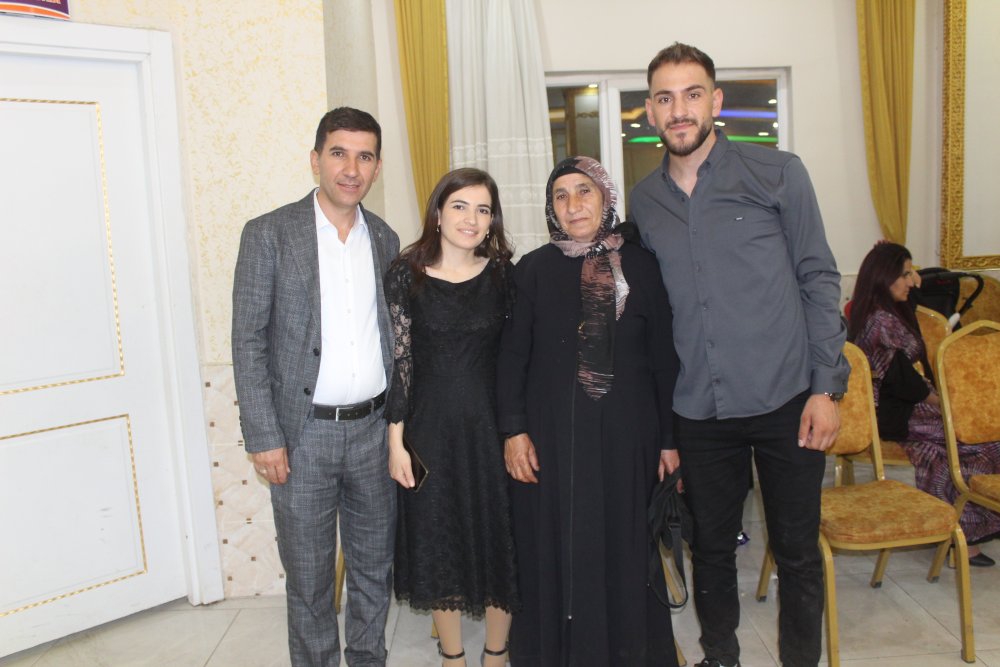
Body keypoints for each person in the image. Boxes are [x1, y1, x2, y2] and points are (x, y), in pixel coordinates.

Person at [629, 43, 849, 667]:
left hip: (787, 400)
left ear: (716, 101)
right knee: (712, 550)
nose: (680, 109)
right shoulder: (644, 203)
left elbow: (819, 279)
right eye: (665, 98)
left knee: (797, 552)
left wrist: (825, 389)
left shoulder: (778, 173)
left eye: (692, 94)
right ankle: (720, 656)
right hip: (700, 410)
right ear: (650, 110)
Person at [232, 107, 399, 666]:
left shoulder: (385, 238)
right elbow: (248, 340)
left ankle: (368, 659)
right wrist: (264, 436)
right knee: (309, 580)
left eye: (365, 156)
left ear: (376, 168)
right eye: (339, 153)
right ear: (315, 160)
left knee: (374, 569)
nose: (351, 169)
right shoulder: (269, 234)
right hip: (302, 438)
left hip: (373, 432)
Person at [498, 156, 680, 666]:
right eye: (561, 195)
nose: (573, 204)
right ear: (550, 207)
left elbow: (664, 359)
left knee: (625, 545)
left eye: (584, 191)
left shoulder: (642, 267)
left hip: (628, 437)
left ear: (606, 198)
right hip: (551, 440)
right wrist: (513, 431)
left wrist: (670, 440)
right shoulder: (532, 270)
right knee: (555, 547)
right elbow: (511, 358)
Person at [384, 168, 519, 666]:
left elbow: (517, 360)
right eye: (460, 206)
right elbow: (401, 364)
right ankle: (453, 657)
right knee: (438, 540)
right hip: (428, 434)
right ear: (438, 213)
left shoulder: (504, 275)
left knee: (498, 538)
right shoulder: (406, 275)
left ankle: (496, 654)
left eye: (483, 209)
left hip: (491, 432)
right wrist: (395, 443)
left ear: (492, 220)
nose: (471, 218)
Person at [848, 241, 1000, 566]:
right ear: (884, 277)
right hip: (892, 411)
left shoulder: (891, 308)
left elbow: (915, 374)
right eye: (905, 274)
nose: (911, 280)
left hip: (911, 402)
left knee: (978, 434)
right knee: (966, 438)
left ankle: (973, 524)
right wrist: (947, 404)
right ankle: (966, 535)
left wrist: (911, 274)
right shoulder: (880, 323)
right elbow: (906, 385)